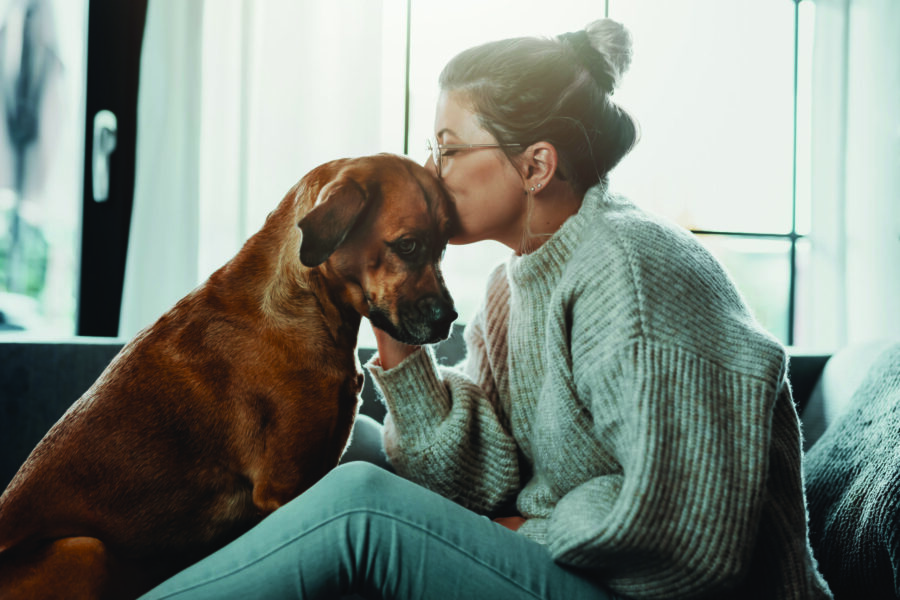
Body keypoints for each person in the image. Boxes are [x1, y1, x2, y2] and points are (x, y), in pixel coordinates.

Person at [140, 18, 833, 600]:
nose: (428, 172)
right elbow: (483, 475)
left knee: (359, 508)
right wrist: (397, 322)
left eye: (448, 150)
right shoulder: (517, 282)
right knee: (340, 439)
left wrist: (526, 530)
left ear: (535, 166)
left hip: (657, 589)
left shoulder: (634, 267)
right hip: (583, 567)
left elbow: (688, 532)